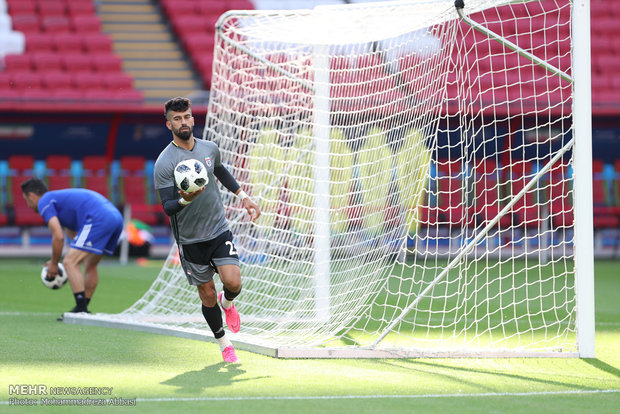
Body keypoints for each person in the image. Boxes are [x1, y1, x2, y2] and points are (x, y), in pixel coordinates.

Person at [154, 97, 260, 364]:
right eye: (177, 119)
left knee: (234, 282)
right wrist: (185, 199)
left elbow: (221, 171)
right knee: (207, 294)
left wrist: (243, 196)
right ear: (169, 124)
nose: (183, 122)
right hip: (190, 240)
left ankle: (229, 302)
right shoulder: (164, 163)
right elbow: (167, 207)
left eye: (187, 116)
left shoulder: (209, 148)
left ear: (193, 118)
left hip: (218, 229)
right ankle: (225, 344)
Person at [21, 178, 124, 320]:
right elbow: (74, 238)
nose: (28, 205)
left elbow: (58, 237)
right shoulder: (62, 205)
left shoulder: (45, 201)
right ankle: (83, 307)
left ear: (32, 195)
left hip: (98, 218)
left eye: (27, 200)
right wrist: (73, 260)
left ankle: (81, 309)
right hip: (116, 218)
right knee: (90, 264)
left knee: (69, 262)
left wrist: (54, 263)